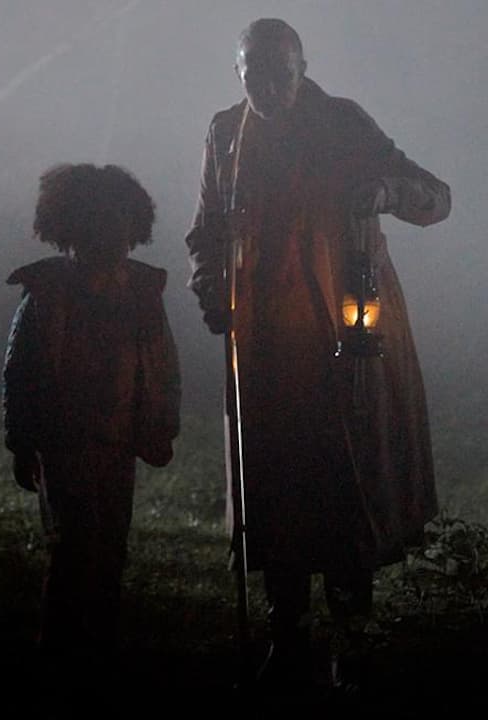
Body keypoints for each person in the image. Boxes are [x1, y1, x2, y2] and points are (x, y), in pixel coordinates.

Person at [183, 18, 451, 692]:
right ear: (238, 73)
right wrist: (212, 290)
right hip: (266, 344)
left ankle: (350, 636)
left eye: (282, 73)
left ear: (303, 69)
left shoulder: (343, 123)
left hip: (345, 335)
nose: (269, 88)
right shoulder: (225, 134)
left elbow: (434, 196)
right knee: (275, 481)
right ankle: (287, 634)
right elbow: (206, 232)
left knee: (343, 478)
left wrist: (386, 191)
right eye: (255, 74)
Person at [3, 162, 181, 686]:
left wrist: (159, 424)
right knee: (75, 546)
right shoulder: (47, 294)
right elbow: (23, 370)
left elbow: (162, 364)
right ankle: (60, 656)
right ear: (73, 230)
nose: (112, 235)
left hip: (118, 442)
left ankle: (96, 654)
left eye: (120, 222)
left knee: (109, 550)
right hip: (65, 442)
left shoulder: (142, 294)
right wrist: (23, 441)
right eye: (100, 222)